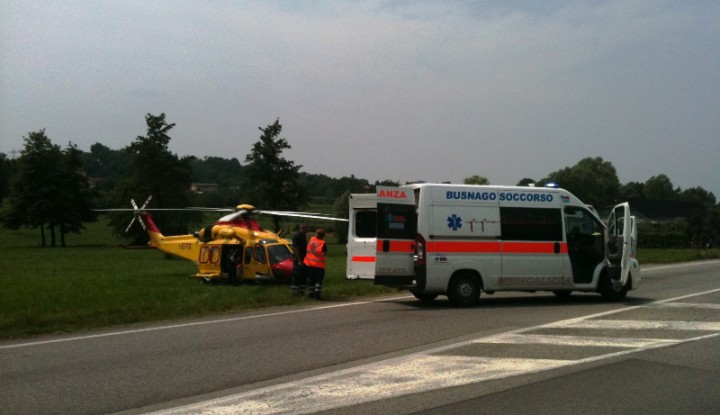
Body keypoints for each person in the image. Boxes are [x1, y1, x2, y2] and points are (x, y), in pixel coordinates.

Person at [303, 228, 327, 299]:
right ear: (323, 236)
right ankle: (317, 294)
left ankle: (311, 294)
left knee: (311, 280)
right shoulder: (323, 243)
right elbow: (324, 253)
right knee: (318, 281)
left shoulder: (312, 239)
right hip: (319, 265)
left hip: (309, 264)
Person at [291, 223, 309, 296]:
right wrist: (299, 261)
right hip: (299, 260)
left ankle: (301, 291)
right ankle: (295, 292)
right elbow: (295, 249)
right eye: (306, 228)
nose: (307, 229)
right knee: (297, 275)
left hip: (304, 259)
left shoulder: (303, 236)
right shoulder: (297, 236)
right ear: (302, 228)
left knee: (303, 276)